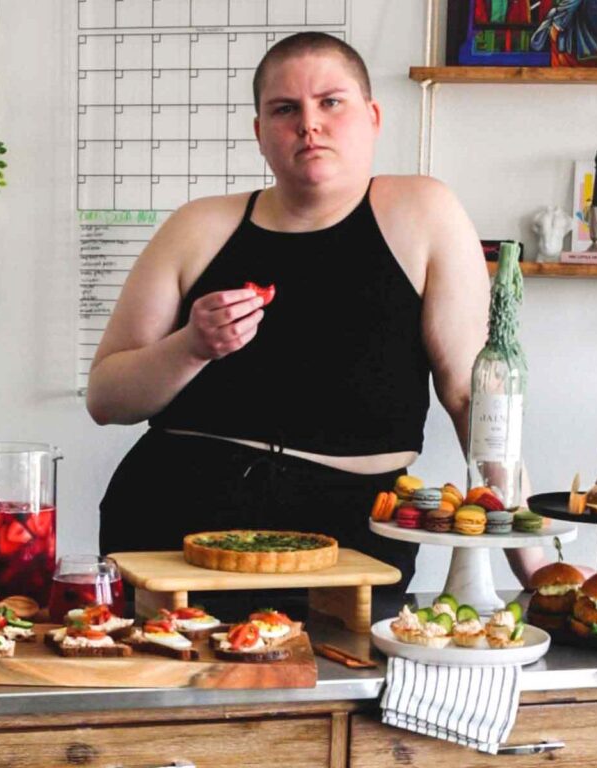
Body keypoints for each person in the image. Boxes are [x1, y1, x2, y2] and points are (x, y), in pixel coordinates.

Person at [87, 32, 544, 601]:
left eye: (331, 102)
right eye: (285, 109)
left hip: (350, 540)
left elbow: (474, 402)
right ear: (259, 133)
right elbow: (106, 398)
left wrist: (539, 574)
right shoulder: (198, 225)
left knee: (341, 686)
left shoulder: (423, 212)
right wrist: (191, 347)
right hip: (173, 525)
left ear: (373, 117)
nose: (309, 124)